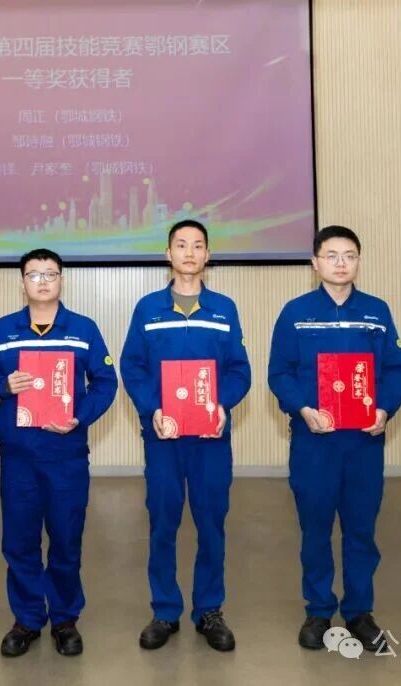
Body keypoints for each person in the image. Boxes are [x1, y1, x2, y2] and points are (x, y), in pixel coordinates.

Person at [268, 225, 401, 652]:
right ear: (315, 263)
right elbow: (280, 372)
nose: (341, 263)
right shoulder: (295, 312)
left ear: (358, 261)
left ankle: (360, 611)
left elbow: (396, 369)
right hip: (315, 440)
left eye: (349, 255)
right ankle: (318, 610)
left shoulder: (376, 312)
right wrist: (302, 408)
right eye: (331, 255)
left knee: (360, 529)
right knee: (315, 528)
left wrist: (385, 409)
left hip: (363, 442)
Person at [120, 219, 251, 652]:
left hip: (211, 439)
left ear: (207, 255)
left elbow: (240, 370)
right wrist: (152, 408)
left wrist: (222, 404)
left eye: (197, 246)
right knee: (163, 522)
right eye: (181, 245)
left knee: (211, 522)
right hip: (164, 436)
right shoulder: (148, 309)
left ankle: (209, 609)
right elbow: (132, 366)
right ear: (168, 254)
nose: (189, 253)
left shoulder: (224, 309)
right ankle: (164, 610)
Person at [0, 248, 118, 657]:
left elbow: (106, 382)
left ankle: (64, 618)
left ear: (62, 280)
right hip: (19, 457)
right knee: (19, 541)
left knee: (66, 539)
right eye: (34, 274)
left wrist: (80, 416)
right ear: (22, 282)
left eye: (50, 274)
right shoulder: (4, 329)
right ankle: (26, 619)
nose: (42, 281)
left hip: (65, 456)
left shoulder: (83, 329)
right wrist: (5, 385)